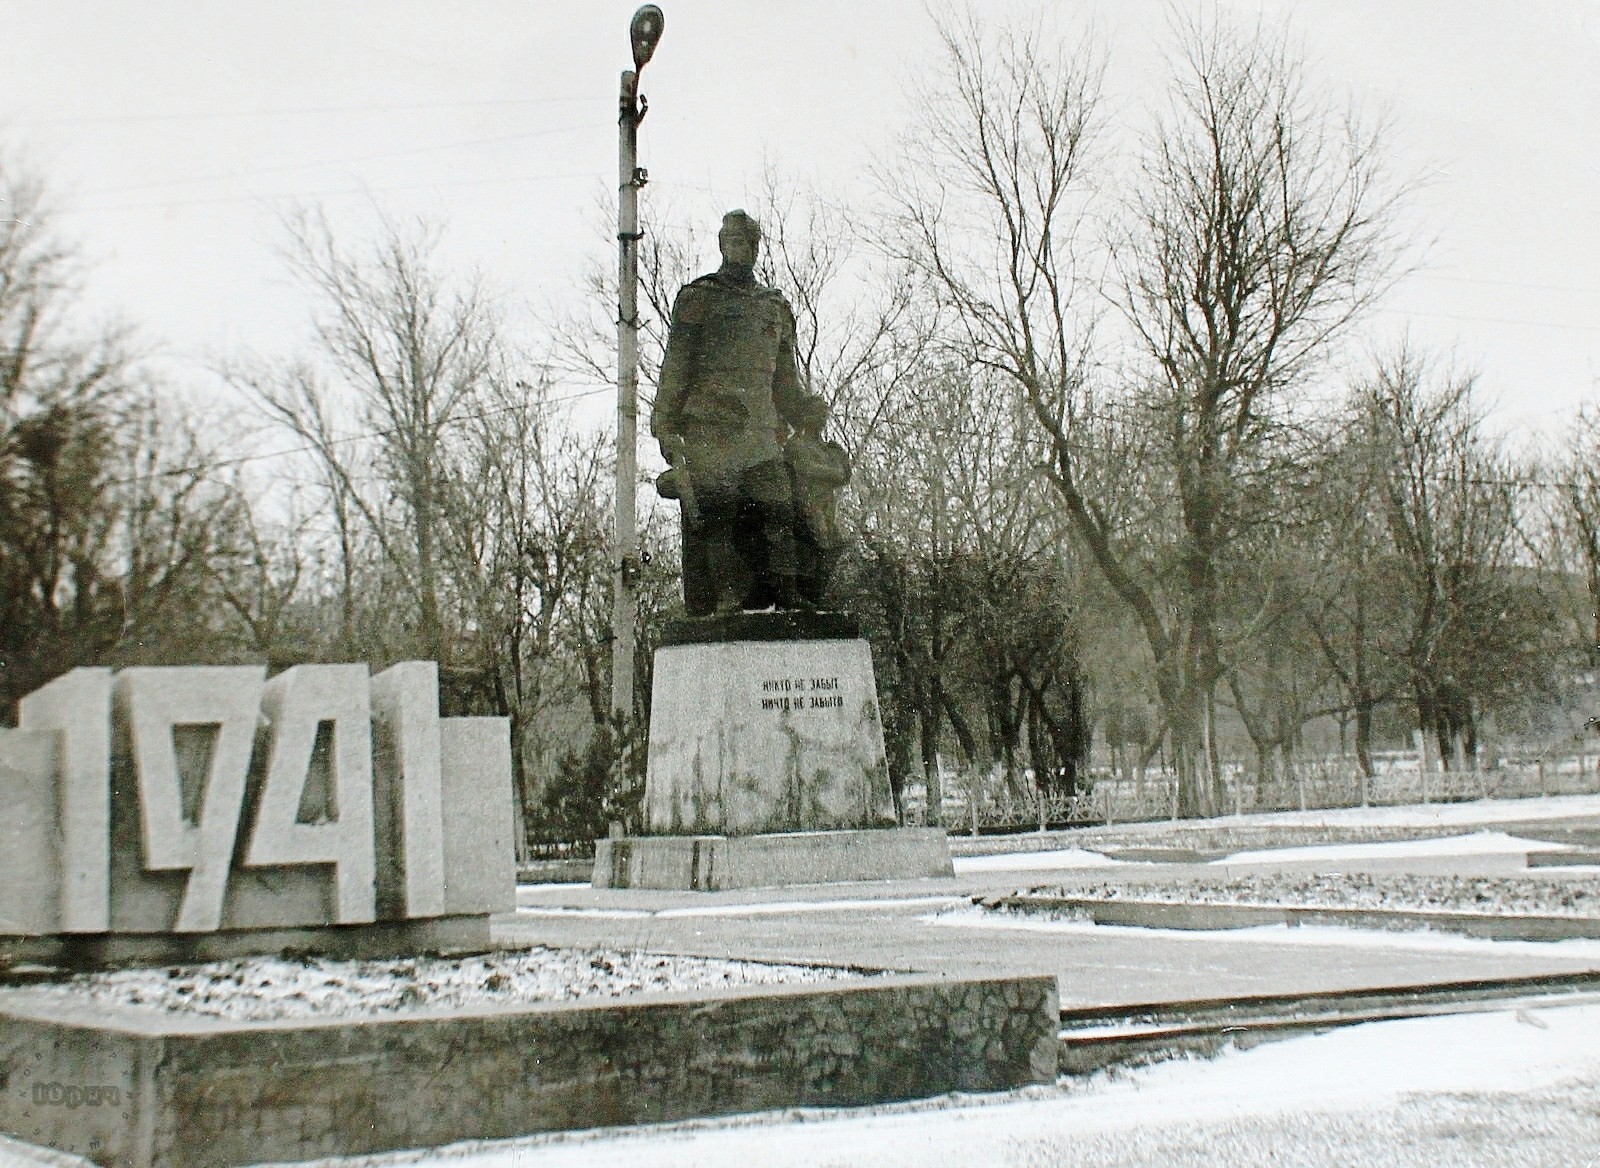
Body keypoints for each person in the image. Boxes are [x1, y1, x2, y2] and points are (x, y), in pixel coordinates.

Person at [652, 210, 822, 614]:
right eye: (731, 240)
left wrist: (804, 411)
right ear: (721, 244)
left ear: (756, 247)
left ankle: (786, 592)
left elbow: (784, 380)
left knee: (779, 506)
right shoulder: (698, 299)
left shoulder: (774, 306)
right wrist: (665, 424)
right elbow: (676, 366)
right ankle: (725, 594)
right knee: (718, 510)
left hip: (761, 429)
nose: (738, 247)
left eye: (745, 240)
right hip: (711, 426)